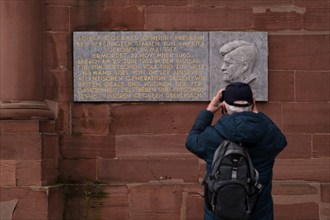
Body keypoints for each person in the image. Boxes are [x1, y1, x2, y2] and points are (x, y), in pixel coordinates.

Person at [185, 82, 287, 220]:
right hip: (258, 214)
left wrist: (209, 110)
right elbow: (280, 140)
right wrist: (257, 113)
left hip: (219, 214)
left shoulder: (212, 136)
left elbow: (192, 141)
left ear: (224, 106)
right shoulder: (267, 134)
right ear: (252, 104)